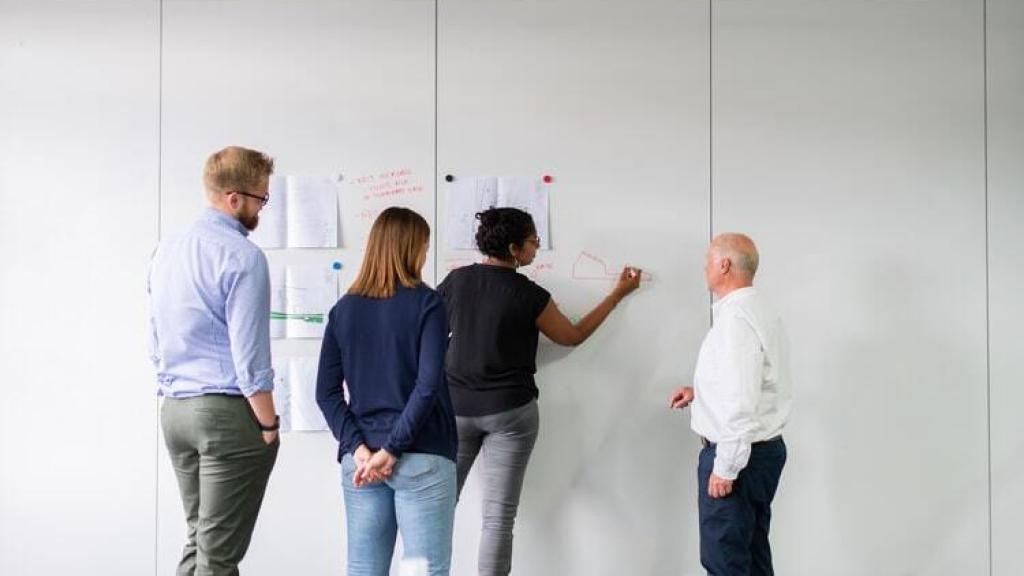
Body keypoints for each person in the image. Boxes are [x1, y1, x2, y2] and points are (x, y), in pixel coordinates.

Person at [436, 207, 641, 576]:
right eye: (533, 241)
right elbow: (571, 336)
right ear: (514, 248)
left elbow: (432, 333)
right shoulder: (530, 295)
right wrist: (617, 295)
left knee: (437, 507)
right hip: (509, 413)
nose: (538, 247)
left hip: (455, 410)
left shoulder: (455, 282)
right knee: (498, 518)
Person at [148, 146, 280, 576]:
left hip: (175, 411)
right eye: (261, 198)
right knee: (219, 556)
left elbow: (156, 336)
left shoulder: (166, 249)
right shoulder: (243, 256)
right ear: (234, 198)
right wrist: (269, 424)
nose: (263, 207)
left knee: (201, 540)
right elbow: (250, 356)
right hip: (225, 414)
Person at [316, 207, 457, 576]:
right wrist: (392, 449)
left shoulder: (343, 310)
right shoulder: (428, 303)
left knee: (364, 569)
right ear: (411, 249)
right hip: (421, 457)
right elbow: (427, 386)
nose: (426, 255)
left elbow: (326, 394)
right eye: (424, 246)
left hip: (361, 463)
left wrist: (362, 450)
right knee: (421, 570)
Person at [669, 233, 792, 576]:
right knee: (752, 557)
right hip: (762, 451)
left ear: (724, 265)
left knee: (725, 562)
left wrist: (726, 466)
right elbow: (755, 378)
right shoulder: (758, 308)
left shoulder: (736, 320)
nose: (704, 267)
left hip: (738, 454)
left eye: (708, 260)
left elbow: (741, 400)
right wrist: (701, 393)